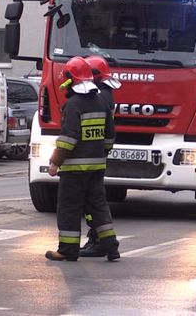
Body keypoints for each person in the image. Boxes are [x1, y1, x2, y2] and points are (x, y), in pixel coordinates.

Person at [45, 56, 120, 262]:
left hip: (73, 170)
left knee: (69, 207)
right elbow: (110, 134)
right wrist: (100, 153)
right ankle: (111, 246)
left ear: (71, 79)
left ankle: (68, 249)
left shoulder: (73, 105)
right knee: (98, 206)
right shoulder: (102, 102)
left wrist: (55, 162)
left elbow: (68, 138)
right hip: (97, 167)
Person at [79, 55, 121, 257]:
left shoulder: (100, 96)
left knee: (92, 202)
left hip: (89, 156)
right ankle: (102, 241)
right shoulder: (107, 93)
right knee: (94, 200)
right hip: (97, 154)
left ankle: (99, 241)